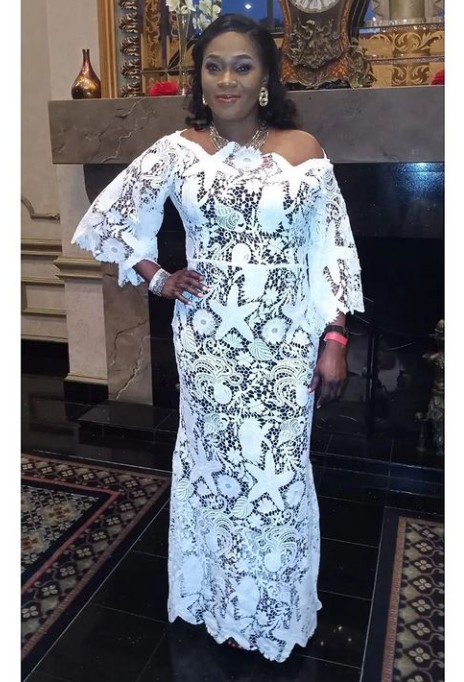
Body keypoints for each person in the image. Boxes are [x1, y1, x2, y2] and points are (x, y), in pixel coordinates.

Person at [71, 13, 364, 663]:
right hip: (208, 343)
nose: (226, 79)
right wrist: (158, 277)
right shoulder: (177, 151)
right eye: (213, 66)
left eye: (242, 66)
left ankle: (270, 607)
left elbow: (332, 250)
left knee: (277, 475)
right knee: (216, 469)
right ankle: (216, 598)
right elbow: (110, 220)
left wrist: (336, 337)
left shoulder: (303, 148)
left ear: (266, 79)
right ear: (199, 78)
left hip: (284, 342)